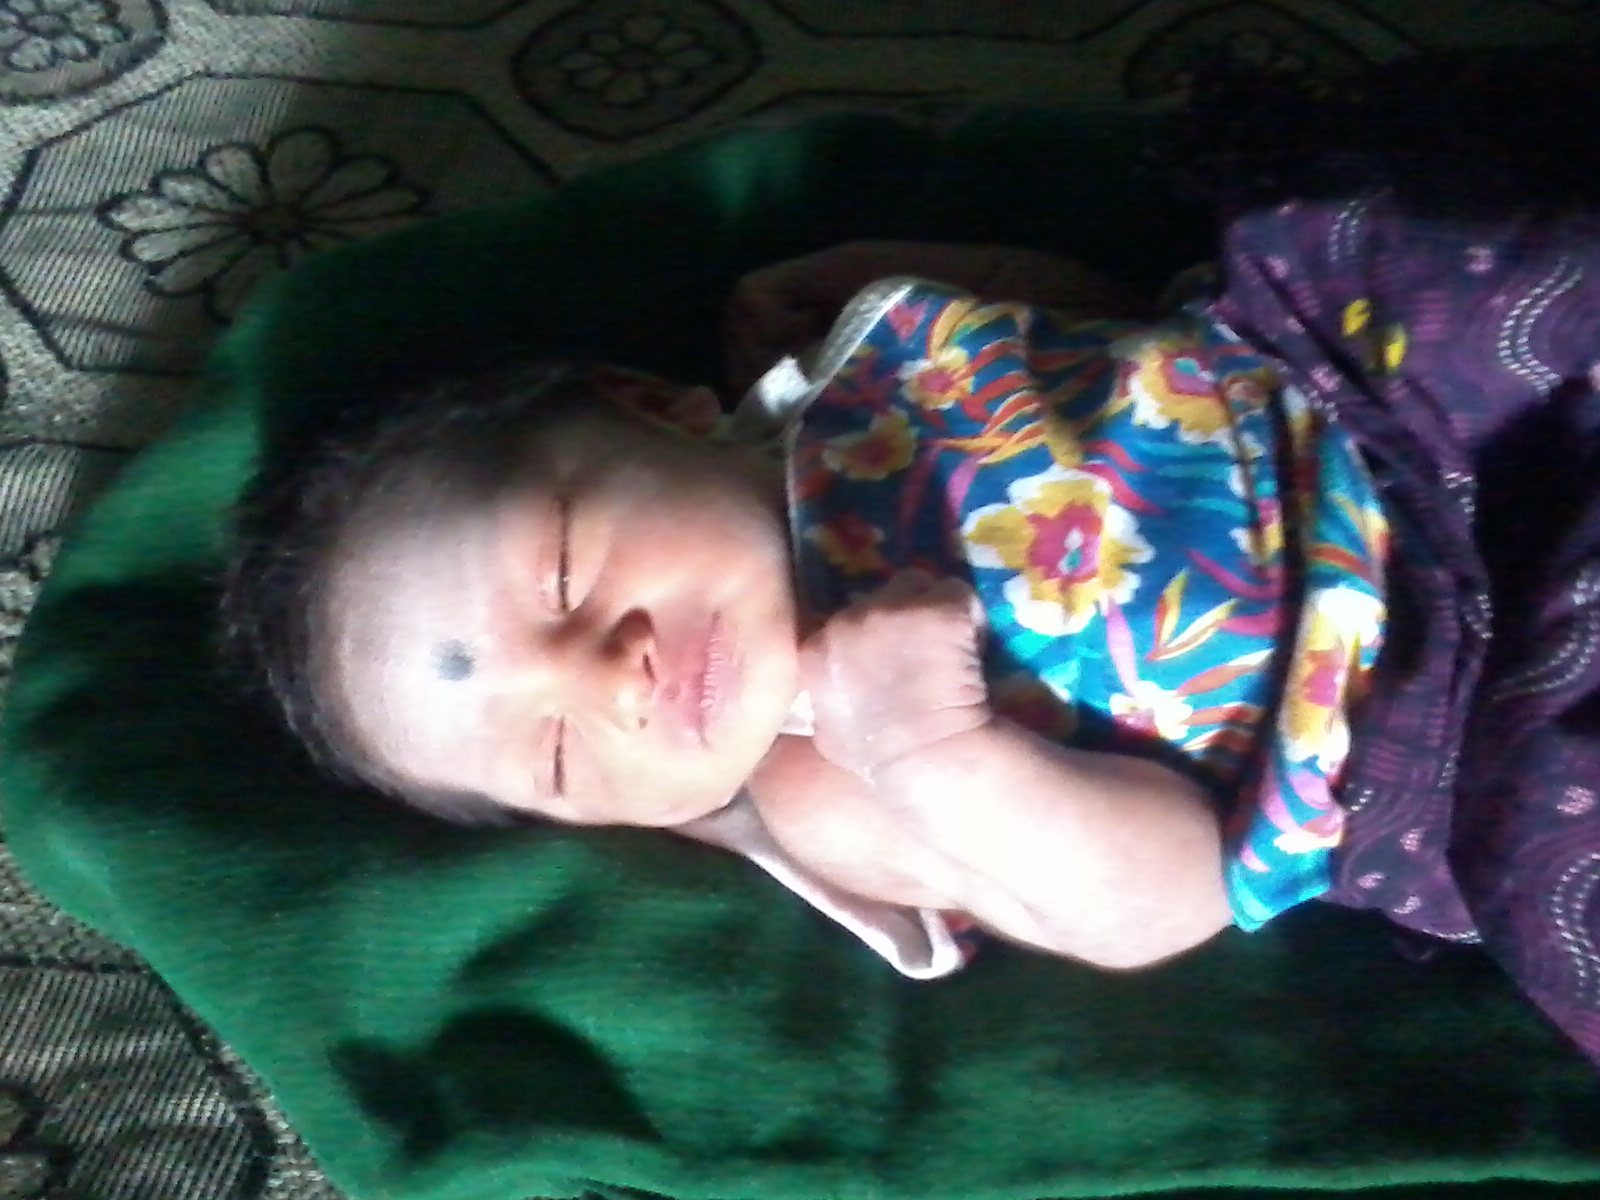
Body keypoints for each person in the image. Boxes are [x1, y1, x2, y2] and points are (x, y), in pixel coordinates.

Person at [225, 43, 1600, 1067]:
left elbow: (1109, 334)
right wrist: (940, 753)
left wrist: (936, 280)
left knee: (1411, 218)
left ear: (654, 408)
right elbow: (1164, 902)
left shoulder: (841, 369)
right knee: (1550, 856)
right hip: (1424, 717)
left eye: (567, 581)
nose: (613, 676)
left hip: (1374, 400)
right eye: (562, 756)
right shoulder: (833, 779)